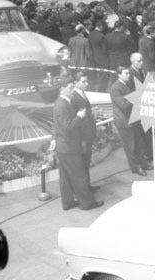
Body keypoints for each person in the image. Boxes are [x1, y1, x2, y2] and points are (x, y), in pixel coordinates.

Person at [53, 80, 102, 211]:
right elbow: (67, 128)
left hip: (63, 147)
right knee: (80, 175)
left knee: (65, 178)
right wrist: (79, 117)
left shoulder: (62, 103)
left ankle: (68, 202)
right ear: (62, 89)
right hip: (69, 147)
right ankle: (87, 203)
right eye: (70, 88)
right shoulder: (62, 105)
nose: (72, 90)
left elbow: (57, 126)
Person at [110, 66, 148, 175]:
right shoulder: (115, 88)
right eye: (126, 74)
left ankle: (143, 163)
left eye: (128, 73)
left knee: (139, 143)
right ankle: (136, 168)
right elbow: (124, 105)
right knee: (130, 146)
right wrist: (136, 94)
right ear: (119, 75)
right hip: (124, 121)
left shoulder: (127, 85)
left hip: (133, 118)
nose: (129, 75)